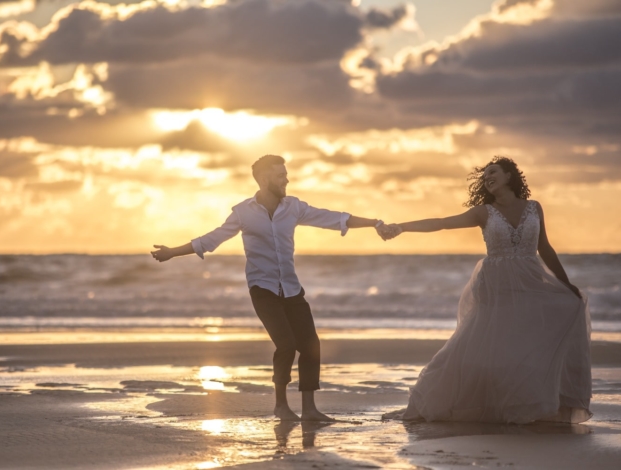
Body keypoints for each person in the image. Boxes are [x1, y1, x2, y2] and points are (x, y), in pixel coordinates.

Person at [151, 154, 385, 421]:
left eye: (285, 174)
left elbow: (332, 218)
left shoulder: (293, 207)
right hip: (262, 288)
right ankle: (281, 406)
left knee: (310, 345)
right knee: (285, 345)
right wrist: (172, 252)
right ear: (264, 179)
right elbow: (212, 239)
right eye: (280, 175)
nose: (286, 179)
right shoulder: (243, 212)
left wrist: (373, 222)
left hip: (292, 288)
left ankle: (309, 410)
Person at [378, 156, 592, 424]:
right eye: (484, 175)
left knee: (527, 342)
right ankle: (457, 401)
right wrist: (402, 227)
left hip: (531, 280)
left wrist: (564, 282)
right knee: (484, 346)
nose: (487, 177)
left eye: (493, 172)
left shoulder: (534, 207)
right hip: (496, 285)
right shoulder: (483, 212)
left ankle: (532, 403)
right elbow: (442, 222)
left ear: (509, 175)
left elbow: (545, 248)